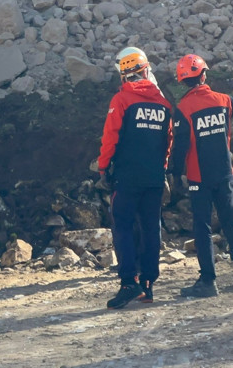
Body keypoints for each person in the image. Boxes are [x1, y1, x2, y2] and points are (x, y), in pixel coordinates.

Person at [171, 54, 233, 297]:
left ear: (182, 81)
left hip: (199, 178)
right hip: (225, 174)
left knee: (202, 228)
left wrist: (177, 176)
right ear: (204, 75)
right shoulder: (224, 100)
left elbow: (180, 147)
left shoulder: (183, 108)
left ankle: (208, 281)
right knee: (231, 224)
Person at [98, 47, 172, 309]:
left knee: (123, 227)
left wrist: (103, 166)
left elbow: (111, 137)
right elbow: (168, 142)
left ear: (123, 76)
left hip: (127, 178)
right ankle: (148, 285)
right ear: (146, 70)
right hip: (154, 178)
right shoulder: (163, 104)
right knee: (152, 229)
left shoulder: (121, 100)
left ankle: (129, 282)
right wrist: (161, 169)